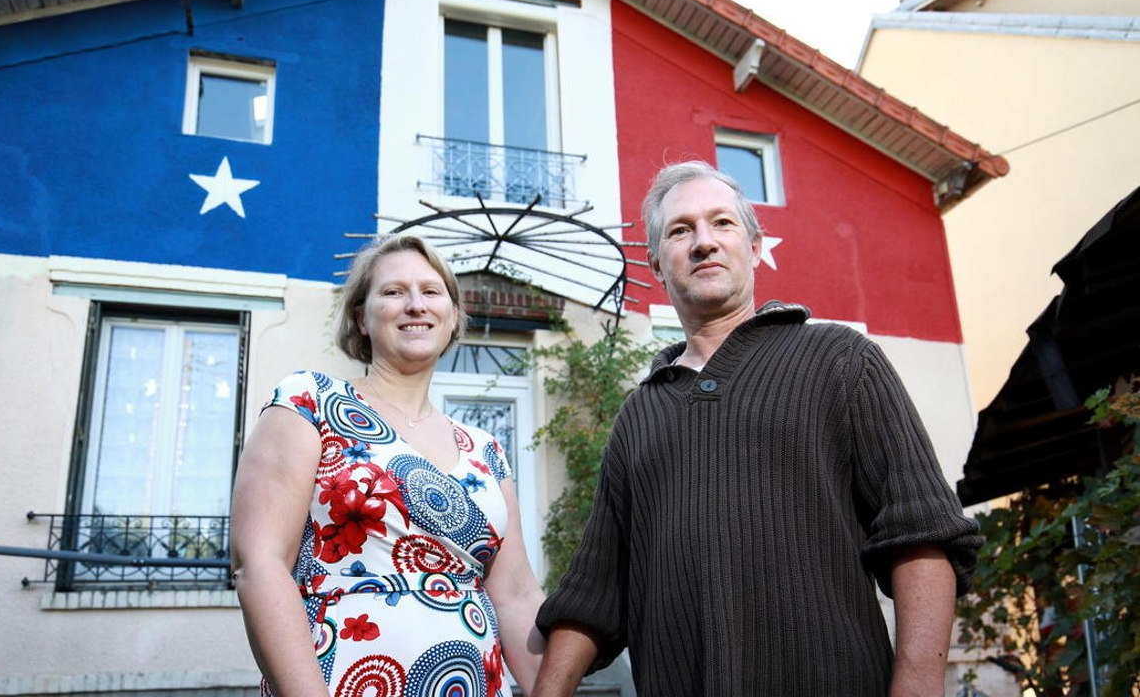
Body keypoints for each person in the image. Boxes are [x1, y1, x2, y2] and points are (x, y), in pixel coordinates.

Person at [531, 161, 983, 697]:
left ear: (754, 244)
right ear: (656, 264)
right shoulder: (639, 414)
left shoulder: (841, 360)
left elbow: (923, 534)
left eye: (722, 224)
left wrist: (916, 688)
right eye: (681, 230)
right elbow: (593, 594)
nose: (703, 243)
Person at [231, 234, 545, 697]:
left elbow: (516, 596)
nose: (416, 305)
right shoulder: (310, 402)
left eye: (432, 292)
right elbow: (258, 565)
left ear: (453, 315)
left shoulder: (486, 450)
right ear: (361, 317)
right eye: (394, 292)